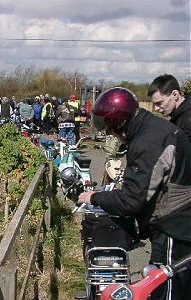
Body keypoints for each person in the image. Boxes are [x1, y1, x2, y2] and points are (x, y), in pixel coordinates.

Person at [78, 87, 191, 300]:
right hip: (179, 219)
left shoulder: (147, 142)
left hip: (175, 225)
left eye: (109, 128)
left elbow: (131, 201)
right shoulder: (155, 128)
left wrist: (94, 197)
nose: (110, 134)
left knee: (168, 289)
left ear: (119, 123)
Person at [148, 74, 191, 142]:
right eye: (154, 104)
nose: (156, 108)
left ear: (175, 95)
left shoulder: (187, 121)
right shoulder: (178, 117)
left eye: (159, 103)